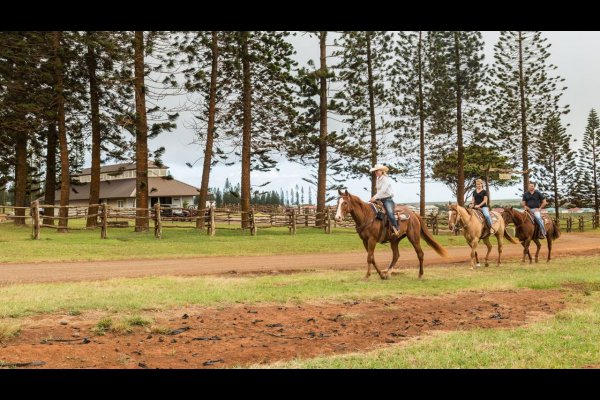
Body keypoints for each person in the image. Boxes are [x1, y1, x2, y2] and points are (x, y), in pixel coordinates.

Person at [369, 164, 401, 237]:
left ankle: (396, 228)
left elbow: (383, 190)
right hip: (380, 199)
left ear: (381, 171)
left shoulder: (385, 179)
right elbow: (379, 191)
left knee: (390, 213)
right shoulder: (378, 180)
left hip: (387, 200)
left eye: (377, 171)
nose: (376, 172)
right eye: (375, 171)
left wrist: (374, 196)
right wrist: (375, 198)